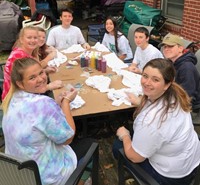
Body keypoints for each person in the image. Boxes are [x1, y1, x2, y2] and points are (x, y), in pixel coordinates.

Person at [2, 57, 94, 185]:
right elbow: (68, 138)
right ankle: (80, 182)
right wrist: (66, 102)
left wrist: (56, 105)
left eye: (41, 73)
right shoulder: (43, 104)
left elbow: (36, 120)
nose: (40, 79)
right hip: (46, 176)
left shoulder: (11, 98)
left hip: (20, 173)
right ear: (20, 83)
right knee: (91, 143)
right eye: (32, 78)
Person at [113, 58, 200, 185]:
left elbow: (135, 157)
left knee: (117, 145)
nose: (147, 83)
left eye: (155, 79)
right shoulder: (176, 95)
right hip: (190, 163)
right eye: (145, 76)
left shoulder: (152, 121)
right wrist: (139, 102)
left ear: (167, 84)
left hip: (171, 177)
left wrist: (124, 136)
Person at [2, 26, 63, 100]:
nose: (33, 40)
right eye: (29, 37)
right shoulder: (18, 57)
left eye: (35, 38)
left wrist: (45, 71)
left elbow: (29, 77)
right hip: (16, 100)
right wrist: (48, 86)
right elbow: (25, 86)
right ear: (21, 39)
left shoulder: (27, 53)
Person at [159, 33, 200, 114]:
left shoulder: (186, 67)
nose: (166, 49)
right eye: (165, 46)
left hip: (190, 108)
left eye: (170, 46)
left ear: (180, 48)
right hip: (173, 98)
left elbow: (187, 96)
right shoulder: (171, 62)